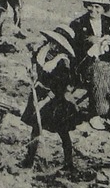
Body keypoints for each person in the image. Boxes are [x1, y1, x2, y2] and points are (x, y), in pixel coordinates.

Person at [21, 24, 86, 172]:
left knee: (62, 131)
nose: (52, 45)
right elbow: (34, 66)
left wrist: (44, 101)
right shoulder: (42, 52)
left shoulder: (63, 62)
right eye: (51, 40)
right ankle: (29, 159)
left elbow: (60, 87)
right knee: (36, 127)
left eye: (57, 43)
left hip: (55, 100)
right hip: (39, 92)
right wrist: (32, 74)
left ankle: (69, 163)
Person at [69, 0, 110, 130]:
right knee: (99, 74)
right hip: (86, 64)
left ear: (104, 8)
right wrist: (88, 42)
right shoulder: (78, 23)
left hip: (108, 62)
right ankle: (98, 114)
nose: (93, 10)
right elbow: (72, 50)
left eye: (97, 6)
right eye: (90, 6)